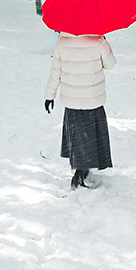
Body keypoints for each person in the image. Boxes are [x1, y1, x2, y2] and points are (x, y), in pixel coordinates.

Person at [44, 32, 116, 189]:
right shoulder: (98, 41)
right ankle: (83, 170)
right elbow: (111, 64)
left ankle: (79, 169)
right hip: (92, 98)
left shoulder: (62, 42)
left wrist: (50, 95)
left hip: (72, 99)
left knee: (77, 135)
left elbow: (56, 72)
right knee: (92, 134)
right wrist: (104, 43)